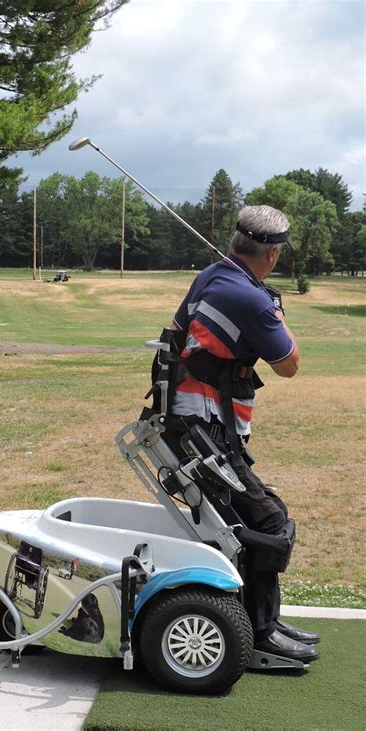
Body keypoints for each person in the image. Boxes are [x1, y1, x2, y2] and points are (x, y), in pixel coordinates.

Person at [169, 205, 319, 663]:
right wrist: (273, 306)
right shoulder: (253, 300)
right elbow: (290, 364)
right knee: (269, 522)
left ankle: (261, 618)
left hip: (192, 421)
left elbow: (178, 331)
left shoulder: (213, 275)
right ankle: (260, 633)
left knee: (258, 517)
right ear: (271, 256)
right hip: (205, 428)